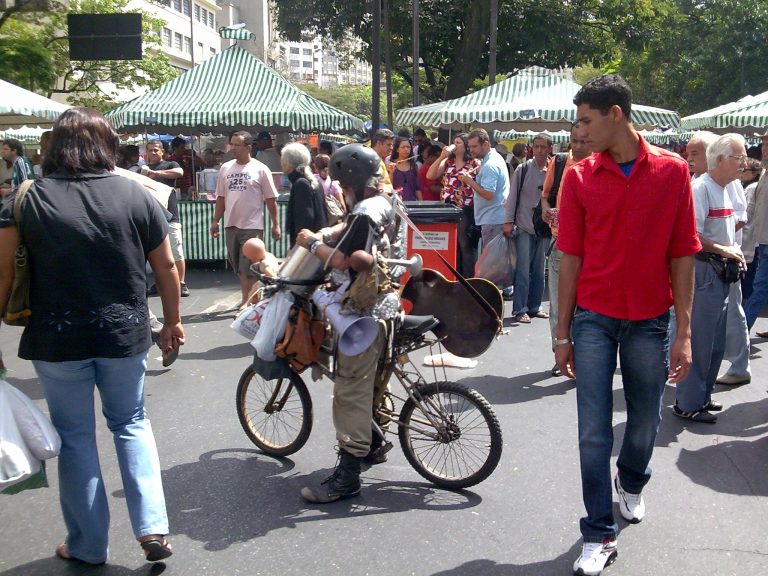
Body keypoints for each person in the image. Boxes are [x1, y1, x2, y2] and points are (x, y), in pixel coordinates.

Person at [0, 107, 184, 565]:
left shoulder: (25, 200)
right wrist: (173, 322)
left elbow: (3, 276)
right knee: (131, 423)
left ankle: (86, 545)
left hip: (57, 338)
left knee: (76, 437)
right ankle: (152, 527)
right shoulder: (136, 194)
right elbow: (166, 267)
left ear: (53, 147)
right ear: (108, 146)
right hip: (124, 333)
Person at [554, 75, 700, 576]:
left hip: (650, 319)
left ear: (616, 114)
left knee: (644, 421)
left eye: (586, 120)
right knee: (592, 432)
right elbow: (568, 258)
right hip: (594, 318)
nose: (580, 131)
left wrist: (684, 331)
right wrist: (562, 333)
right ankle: (597, 532)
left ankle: (632, 478)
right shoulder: (578, 176)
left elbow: (683, 252)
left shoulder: (672, 171)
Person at [294, 144, 405, 504]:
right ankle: (374, 442)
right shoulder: (386, 200)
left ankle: (348, 474)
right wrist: (329, 232)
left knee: (349, 391)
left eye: (341, 183)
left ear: (350, 181)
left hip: (363, 312)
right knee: (375, 382)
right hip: (389, 305)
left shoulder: (362, 212)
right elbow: (352, 230)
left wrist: (313, 244)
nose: (339, 189)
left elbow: (344, 261)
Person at [673, 134, 748, 422]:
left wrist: (731, 253)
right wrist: (724, 250)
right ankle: (687, 403)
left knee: (715, 341)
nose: (743, 163)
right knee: (701, 341)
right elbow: (691, 236)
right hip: (705, 271)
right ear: (719, 160)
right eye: (738, 158)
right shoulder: (701, 188)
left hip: (721, 272)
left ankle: (701, 397)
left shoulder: (727, 188)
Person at [541, 123, 592, 376]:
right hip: (560, 244)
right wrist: (545, 210)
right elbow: (546, 195)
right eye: (575, 141)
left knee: (586, 307)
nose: (580, 146)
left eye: (585, 141)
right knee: (559, 306)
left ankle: (583, 356)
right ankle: (561, 351)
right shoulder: (560, 162)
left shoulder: (602, 167)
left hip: (591, 250)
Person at [210, 131, 281, 306]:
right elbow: (221, 197)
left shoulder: (261, 169)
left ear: (249, 147)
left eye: (237, 145)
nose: (233, 148)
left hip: (252, 225)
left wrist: (275, 224)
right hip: (231, 224)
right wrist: (215, 221)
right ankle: (252, 298)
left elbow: (271, 199)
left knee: (248, 267)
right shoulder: (226, 168)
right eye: (231, 144)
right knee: (238, 267)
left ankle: (246, 301)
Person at [503, 133, 552, 323]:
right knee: (522, 270)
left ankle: (534, 306)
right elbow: (512, 197)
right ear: (532, 148)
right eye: (536, 147)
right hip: (524, 225)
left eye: (543, 147)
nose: (539, 150)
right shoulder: (522, 170)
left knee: (540, 270)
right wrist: (508, 222)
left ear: (549, 148)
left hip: (545, 227)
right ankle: (520, 308)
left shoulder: (554, 170)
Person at [427, 133, 481, 277]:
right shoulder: (448, 162)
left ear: (465, 146)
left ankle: (468, 278)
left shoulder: (475, 163)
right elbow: (430, 175)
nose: (455, 145)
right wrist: (441, 157)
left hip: (466, 207)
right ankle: (453, 276)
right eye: (454, 142)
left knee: (465, 245)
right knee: (451, 244)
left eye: (458, 143)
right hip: (448, 208)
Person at [143, 140, 190, 298]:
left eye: (156, 150)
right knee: (155, 254)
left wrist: (156, 174)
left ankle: (181, 283)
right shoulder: (142, 169)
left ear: (162, 151)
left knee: (176, 252)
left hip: (170, 216)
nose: (153, 153)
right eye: (150, 150)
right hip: (150, 218)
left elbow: (179, 172)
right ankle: (159, 282)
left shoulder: (170, 165)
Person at [460, 129, 509, 251]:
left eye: (474, 146)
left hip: (492, 219)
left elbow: (488, 194)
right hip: (495, 217)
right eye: (470, 146)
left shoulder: (489, 165)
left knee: (490, 262)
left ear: (486, 144)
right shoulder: (494, 157)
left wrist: (470, 181)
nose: (471, 150)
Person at [743, 128, 768, 338]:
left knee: (759, 288)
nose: (765, 149)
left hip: (765, 241)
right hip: (762, 240)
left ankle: (740, 333)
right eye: (764, 144)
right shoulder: (765, 174)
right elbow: (752, 211)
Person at [281, 142, 327, 246]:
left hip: (308, 246)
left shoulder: (301, 183)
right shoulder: (312, 180)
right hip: (317, 242)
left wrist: (298, 247)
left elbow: (304, 220)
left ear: (288, 164)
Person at [390, 136, 421, 202]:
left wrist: (421, 202)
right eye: (403, 147)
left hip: (412, 203)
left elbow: (417, 188)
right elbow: (389, 186)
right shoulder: (391, 165)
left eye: (408, 147)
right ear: (397, 149)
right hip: (396, 204)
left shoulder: (413, 166)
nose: (406, 149)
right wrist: (391, 172)